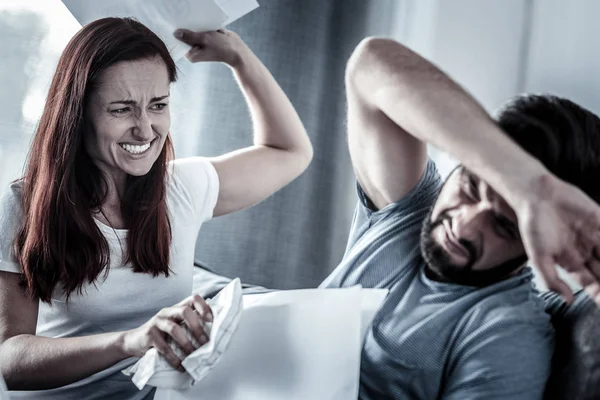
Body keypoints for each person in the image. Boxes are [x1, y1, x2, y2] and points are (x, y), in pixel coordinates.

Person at [0, 17, 312, 399]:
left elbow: (290, 152)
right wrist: (130, 341)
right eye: (121, 110)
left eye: (158, 105)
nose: (146, 129)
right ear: (77, 115)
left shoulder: (180, 188)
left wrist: (240, 58)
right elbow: (9, 359)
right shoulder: (24, 204)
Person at [318, 37, 600, 399]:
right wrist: (530, 186)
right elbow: (369, 63)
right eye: (470, 186)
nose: (464, 225)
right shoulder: (407, 211)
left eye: (503, 226)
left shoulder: (506, 334)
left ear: (538, 243)